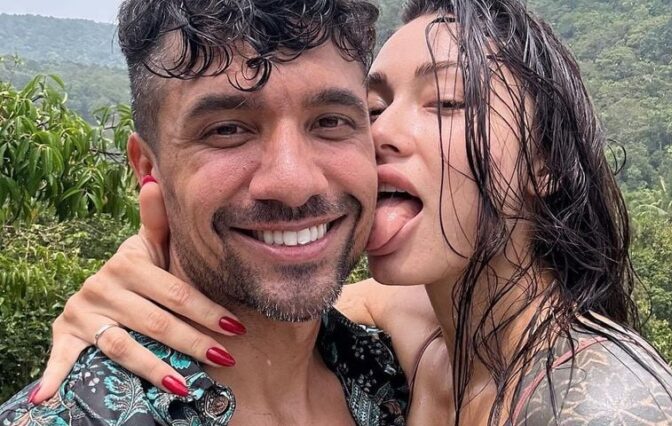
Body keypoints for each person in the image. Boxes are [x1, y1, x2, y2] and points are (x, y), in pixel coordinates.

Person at [18, 0, 672, 424]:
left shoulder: (597, 404)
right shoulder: (416, 350)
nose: (383, 136)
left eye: (332, 120)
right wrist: (133, 289)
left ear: (546, 161)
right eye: (372, 110)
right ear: (149, 169)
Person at [0, 1, 411, 425]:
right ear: (147, 167)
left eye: (330, 122)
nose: (294, 184)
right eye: (227, 130)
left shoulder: (398, 376)